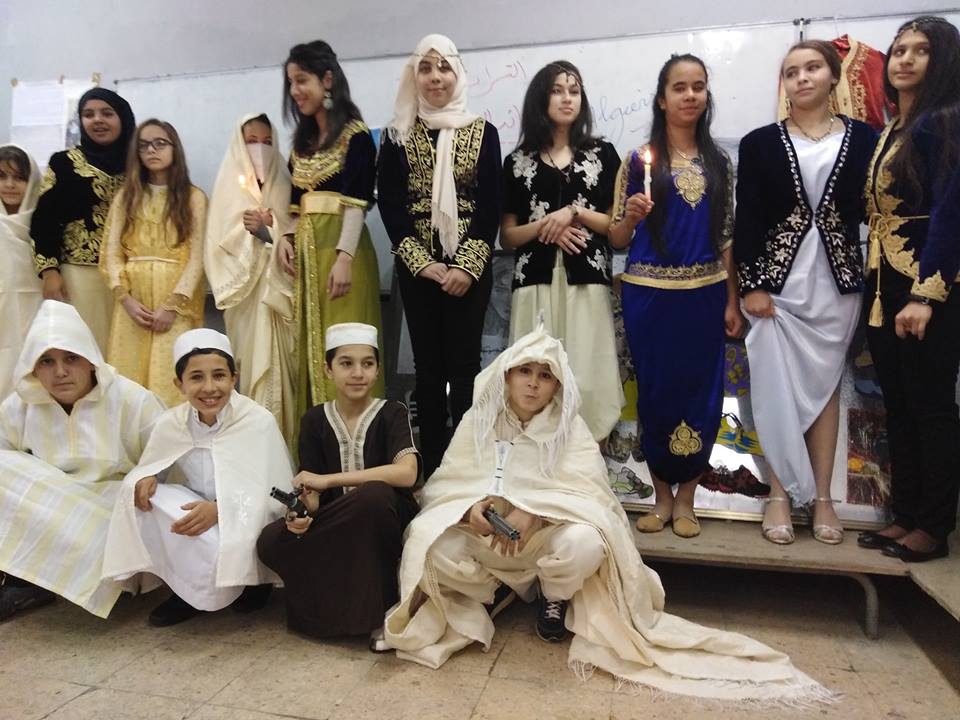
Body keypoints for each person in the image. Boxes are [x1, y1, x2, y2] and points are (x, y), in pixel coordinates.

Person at [383, 322, 828, 703]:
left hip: (541, 544)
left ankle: (553, 594)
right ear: (507, 375)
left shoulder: (570, 430)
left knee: (586, 543)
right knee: (428, 540)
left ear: (558, 385)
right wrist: (469, 511)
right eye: (525, 372)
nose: (533, 384)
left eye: (545, 375)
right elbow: (445, 485)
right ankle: (494, 590)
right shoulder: (478, 420)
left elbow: (592, 500)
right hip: (486, 540)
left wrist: (537, 515)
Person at [735, 41, 877, 545]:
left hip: (836, 285)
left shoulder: (867, 138)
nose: (802, 78)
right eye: (791, 71)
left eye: (812, 67)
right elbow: (748, 219)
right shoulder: (758, 143)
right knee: (776, 389)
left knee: (823, 390)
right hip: (777, 288)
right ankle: (778, 493)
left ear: (833, 75)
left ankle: (821, 498)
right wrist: (752, 285)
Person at [608, 54, 744, 538]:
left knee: (703, 393)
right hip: (649, 297)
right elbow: (617, 238)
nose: (690, 95)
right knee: (655, 393)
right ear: (662, 99)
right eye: (679, 87)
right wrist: (631, 216)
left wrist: (732, 300)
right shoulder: (637, 160)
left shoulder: (719, 163)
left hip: (704, 296)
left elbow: (726, 235)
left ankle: (688, 499)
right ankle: (661, 498)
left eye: (698, 86)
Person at [102, 329, 293, 626]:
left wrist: (221, 508)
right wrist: (147, 477)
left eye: (219, 376)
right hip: (198, 514)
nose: (209, 388)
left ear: (234, 378)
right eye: (196, 378)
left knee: (250, 525)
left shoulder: (257, 421)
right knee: (141, 494)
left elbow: (275, 491)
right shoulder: (171, 423)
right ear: (179, 384)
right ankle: (186, 592)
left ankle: (254, 581)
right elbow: (153, 464)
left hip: (245, 516)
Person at [857, 16, 960, 562]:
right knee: (896, 405)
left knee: (931, 407)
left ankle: (934, 526)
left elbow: (950, 212)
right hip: (883, 282)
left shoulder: (946, 120)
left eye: (921, 51)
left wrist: (926, 295)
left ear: (942, 62)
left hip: (926, 285)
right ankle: (906, 515)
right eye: (899, 50)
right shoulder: (892, 128)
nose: (905, 59)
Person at [378, 33, 502, 478]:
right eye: (425, 68)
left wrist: (466, 267)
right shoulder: (396, 135)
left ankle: (466, 467)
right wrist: (424, 265)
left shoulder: (484, 133)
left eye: (444, 67)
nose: (435, 77)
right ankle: (431, 467)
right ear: (414, 76)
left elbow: (490, 207)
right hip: (418, 271)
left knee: (465, 368)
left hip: (471, 269)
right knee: (428, 370)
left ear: (458, 74)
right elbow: (391, 206)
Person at [257, 322, 420, 650]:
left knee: (373, 496)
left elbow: (407, 474)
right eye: (346, 363)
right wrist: (301, 514)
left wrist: (331, 479)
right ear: (327, 370)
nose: (358, 373)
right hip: (336, 521)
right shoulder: (314, 420)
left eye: (367, 364)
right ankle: (328, 610)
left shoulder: (392, 412)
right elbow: (314, 495)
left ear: (377, 371)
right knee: (271, 540)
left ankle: (382, 613)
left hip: (386, 516)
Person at [0, 300, 164, 620]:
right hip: (51, 507)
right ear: (33, 368)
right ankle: (24, 583)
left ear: (90, 360)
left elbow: (168, 459)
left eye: (71, 358)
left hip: (111, 511)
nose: (60, 372)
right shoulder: (19, 405)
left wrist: (150, 475)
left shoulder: (131, 399)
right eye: (47, 361)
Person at [500, 61, 623, 441]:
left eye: (574, 91)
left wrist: (574, 212)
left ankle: (588, 457)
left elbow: (616, 227)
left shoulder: (603, 154)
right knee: (534, 371)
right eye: (557, 90)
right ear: (541, 98)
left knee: (588, 371)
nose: (567, 98)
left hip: (586, 279)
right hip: (533, 281)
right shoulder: (517, 161)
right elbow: (508, 237)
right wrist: (547, 227)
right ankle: (533, 456)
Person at [278, 41, 384, 423]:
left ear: (327, 80)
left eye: (301, 80)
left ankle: (359, 438)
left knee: (347, 346)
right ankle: (318, 440)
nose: (295, 91)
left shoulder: (355, 136)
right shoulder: (302, 144)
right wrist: (285, 239)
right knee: (314, 348)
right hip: (309, 257)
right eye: (291, 83)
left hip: (342, 253)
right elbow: (296, 207)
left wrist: (344, 258)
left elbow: (356, 204)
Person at [99, 119, 207, 408]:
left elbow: (198, 257)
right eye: (144, 145)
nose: (151, 150)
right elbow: (111, 253)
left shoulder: (194, 198)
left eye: (160, 143)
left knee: (169, 376)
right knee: (128, 378)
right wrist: (125, 298)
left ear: (174, 148)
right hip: (133, 302)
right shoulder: (126, 197)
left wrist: (172, 306)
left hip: (175, 303)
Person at [205, 113, 297, 440]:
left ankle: (287, 447)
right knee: (250, 372)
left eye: (268, 142)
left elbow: (298, 236)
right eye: (252, 141)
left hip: (280, 300)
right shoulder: (227, 186)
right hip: (246, 304)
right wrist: (250, 232)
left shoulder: (285, 180)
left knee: (287, 377)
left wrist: (272, 229)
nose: (260, 148)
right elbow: (216, 244)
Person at [31, 88, 136, 352]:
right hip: (81, 276)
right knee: (86, 348)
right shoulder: (64, 163)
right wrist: (49, 271)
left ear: (123, 118)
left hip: (134, 275)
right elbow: (43, 221)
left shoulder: (141, 165)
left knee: (126, 352)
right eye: (88, 115)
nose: (97, 120)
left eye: (107, 113)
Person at [0, 145, 42, 400]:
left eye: (18, 177)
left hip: (35, 314)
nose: (9, 185)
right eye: (2, 176)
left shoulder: (44, 222)